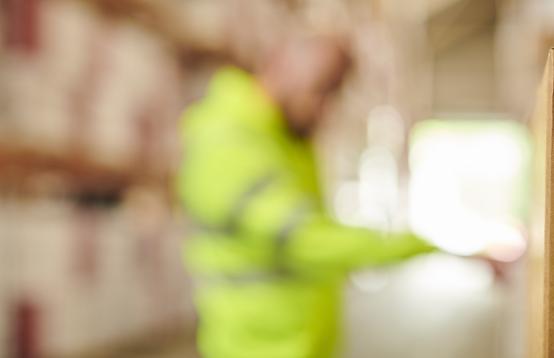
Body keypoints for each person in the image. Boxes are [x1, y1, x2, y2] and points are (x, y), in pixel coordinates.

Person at [176, 36, 436, 358]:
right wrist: (428, 245)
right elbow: (305, 239)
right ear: (282, 67)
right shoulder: (226, 139)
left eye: (333, 95)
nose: (324, 109)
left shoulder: (289, 140)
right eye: (319, 90)